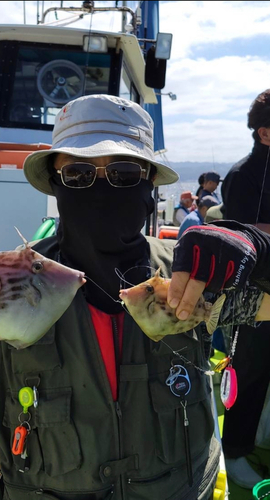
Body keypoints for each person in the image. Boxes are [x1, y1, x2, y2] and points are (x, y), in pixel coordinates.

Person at [0, 94, 270, 500]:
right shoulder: (5, 287)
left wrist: (261, 250)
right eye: (77, 174)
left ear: (149, 187)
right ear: (56, 186)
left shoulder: (194, 279)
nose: (101, 188)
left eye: (125, 173)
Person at [220, 88, 270, 489]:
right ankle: (234, 454)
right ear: (264, 134)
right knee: (249, 375)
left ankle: (260, 439)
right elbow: (241, 235)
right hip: (254, 298)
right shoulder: (241, 176)